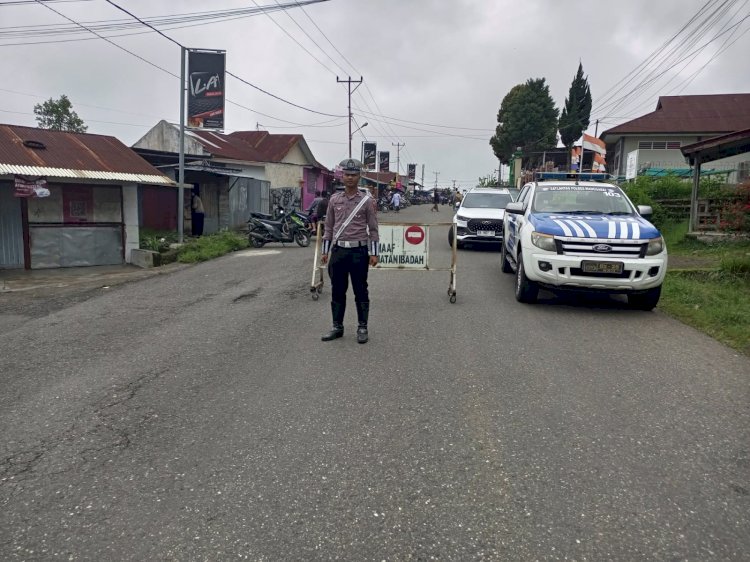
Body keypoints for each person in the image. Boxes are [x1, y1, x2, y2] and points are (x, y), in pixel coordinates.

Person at [321, 158, 379, 344]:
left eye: (354, 175)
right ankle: (337, 326)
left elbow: (373, 228)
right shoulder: (334, 200)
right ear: (342, 176)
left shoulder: (367, 201)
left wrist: (374, 253)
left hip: (359, 252)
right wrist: (325, 251)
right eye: (347, 175)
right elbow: (328, 228)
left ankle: (362, 327)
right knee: (337, 290)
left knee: (360, 290)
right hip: (339, 251)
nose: (350, 178)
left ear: (359, 177)